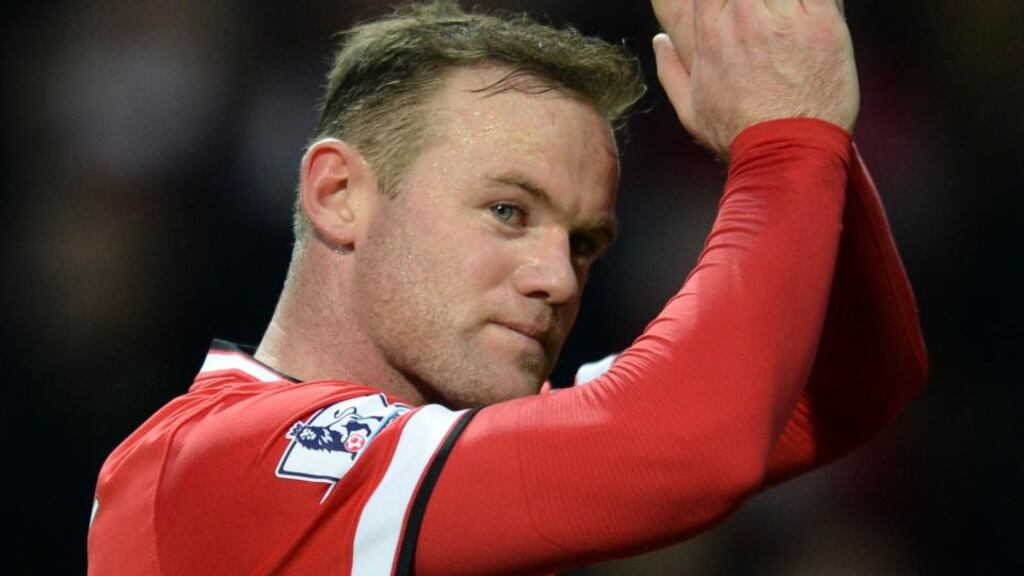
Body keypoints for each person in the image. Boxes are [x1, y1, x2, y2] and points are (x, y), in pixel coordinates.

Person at [87, 1, 927, 574]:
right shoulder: (222, 459)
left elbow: (849, 382)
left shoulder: (446, 452)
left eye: (585, 242)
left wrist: (813, 131)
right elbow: (693, 440)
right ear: (340, 196)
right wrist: (785, 138)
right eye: (507, 210)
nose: (559, 278)